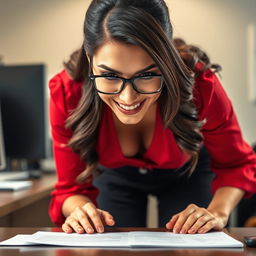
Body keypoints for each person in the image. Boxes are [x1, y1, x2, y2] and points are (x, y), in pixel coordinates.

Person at [49, 0, 256, 235]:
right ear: (89, 59)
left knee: (190, 245)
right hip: (114, 176)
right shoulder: (68, 92)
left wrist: (217, 213)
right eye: (109, 75)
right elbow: (70, 188)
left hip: (189, 172)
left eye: (146, 74)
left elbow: (237, 165)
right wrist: (79, 209)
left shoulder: (200, 85)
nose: (128, 98)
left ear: (166, 60)